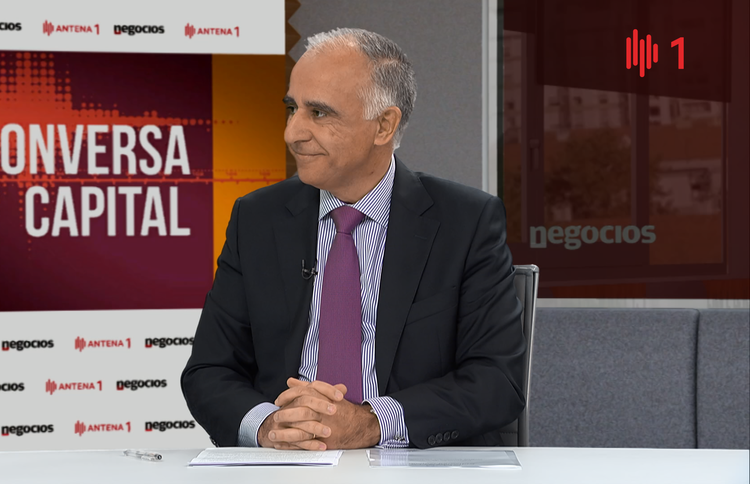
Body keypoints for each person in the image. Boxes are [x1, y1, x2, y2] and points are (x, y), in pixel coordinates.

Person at [181, 28, 524, 450]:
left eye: (318, 113)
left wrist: (370, 423)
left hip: (411, 464)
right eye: (292, 109)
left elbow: (496, 381)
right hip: (289, 465)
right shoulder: (257, 218)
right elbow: (209, 371)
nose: (292, 133)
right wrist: (269, 426)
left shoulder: (466, 222)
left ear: (384, 125)